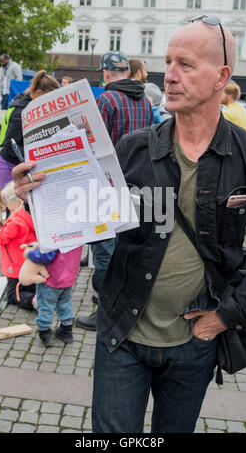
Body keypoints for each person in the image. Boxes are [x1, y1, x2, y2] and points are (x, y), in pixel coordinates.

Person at [12, 17, 246, 433]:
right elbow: (80, 218)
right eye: (168, 62)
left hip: (194, 342)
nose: (171, 75)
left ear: (222, 76)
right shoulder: (133, 149)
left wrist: (225, 317)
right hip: (122, 336)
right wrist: (35, 198)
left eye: (185, 64)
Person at [75, 50, 154, 331]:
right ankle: (128, 307)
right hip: (135, 185)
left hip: (106, 185)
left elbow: (95, 145)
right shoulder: (144, 100)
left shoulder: (107, 99)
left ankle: (104, 311)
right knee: (126, 248)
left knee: (105, 250)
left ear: (105, 73)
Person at [0, 70, 59, 213]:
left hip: (13, 165)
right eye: (50, 97)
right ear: (40, 93)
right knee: (11, 212)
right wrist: (36, 157)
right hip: (8, 166)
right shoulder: (21, 113)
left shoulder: (25, 102)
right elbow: (11, 145)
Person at [0, 181, 37, 310]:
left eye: (5, 199)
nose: (4, 203)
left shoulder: (15, 221)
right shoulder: (27, 214)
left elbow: (0, 238)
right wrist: (1, 225)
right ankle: (38, 293)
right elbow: (13, 233)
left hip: (17, 267)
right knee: (30, 284)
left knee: (14, 295)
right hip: (31, 264)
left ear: (13, 201)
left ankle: (34, 301)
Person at [25, 244, 82, 347]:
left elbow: (46, 255)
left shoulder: (55, 233)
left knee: (45, 306)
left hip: (51, 280)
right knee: (65, 304)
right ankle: (66, 330)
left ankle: (45, 332)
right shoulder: (76, 235)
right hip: (68, 279)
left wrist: (29, 253)